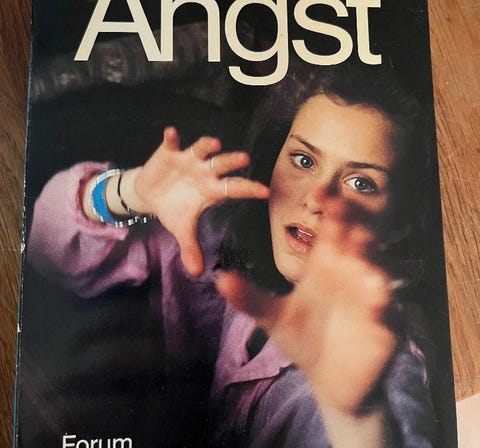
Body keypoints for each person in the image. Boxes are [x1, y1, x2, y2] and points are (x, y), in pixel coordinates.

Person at [28, 64, 436, 447]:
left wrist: (359, 420)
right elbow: (48, 249)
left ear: (400, 222)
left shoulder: (385, 370)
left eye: (361, 183)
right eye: (304, 160)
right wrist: (130, 192)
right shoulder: (218, 232)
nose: (316, 199)